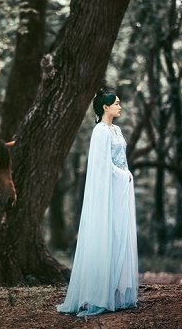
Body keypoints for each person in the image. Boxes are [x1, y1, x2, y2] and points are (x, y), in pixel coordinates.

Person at [57, 89, 138, 316]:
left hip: (120, 190)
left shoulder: (117, 130)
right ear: (105, 107)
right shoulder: (100, 131)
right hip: (109, 190)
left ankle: (116, 292)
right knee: (107, 234)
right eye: (117, 103)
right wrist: (124, 175)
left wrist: (126, 174)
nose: (120, 106)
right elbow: (102, 165)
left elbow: (121, 160)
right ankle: (98, 294)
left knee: (120, 234)